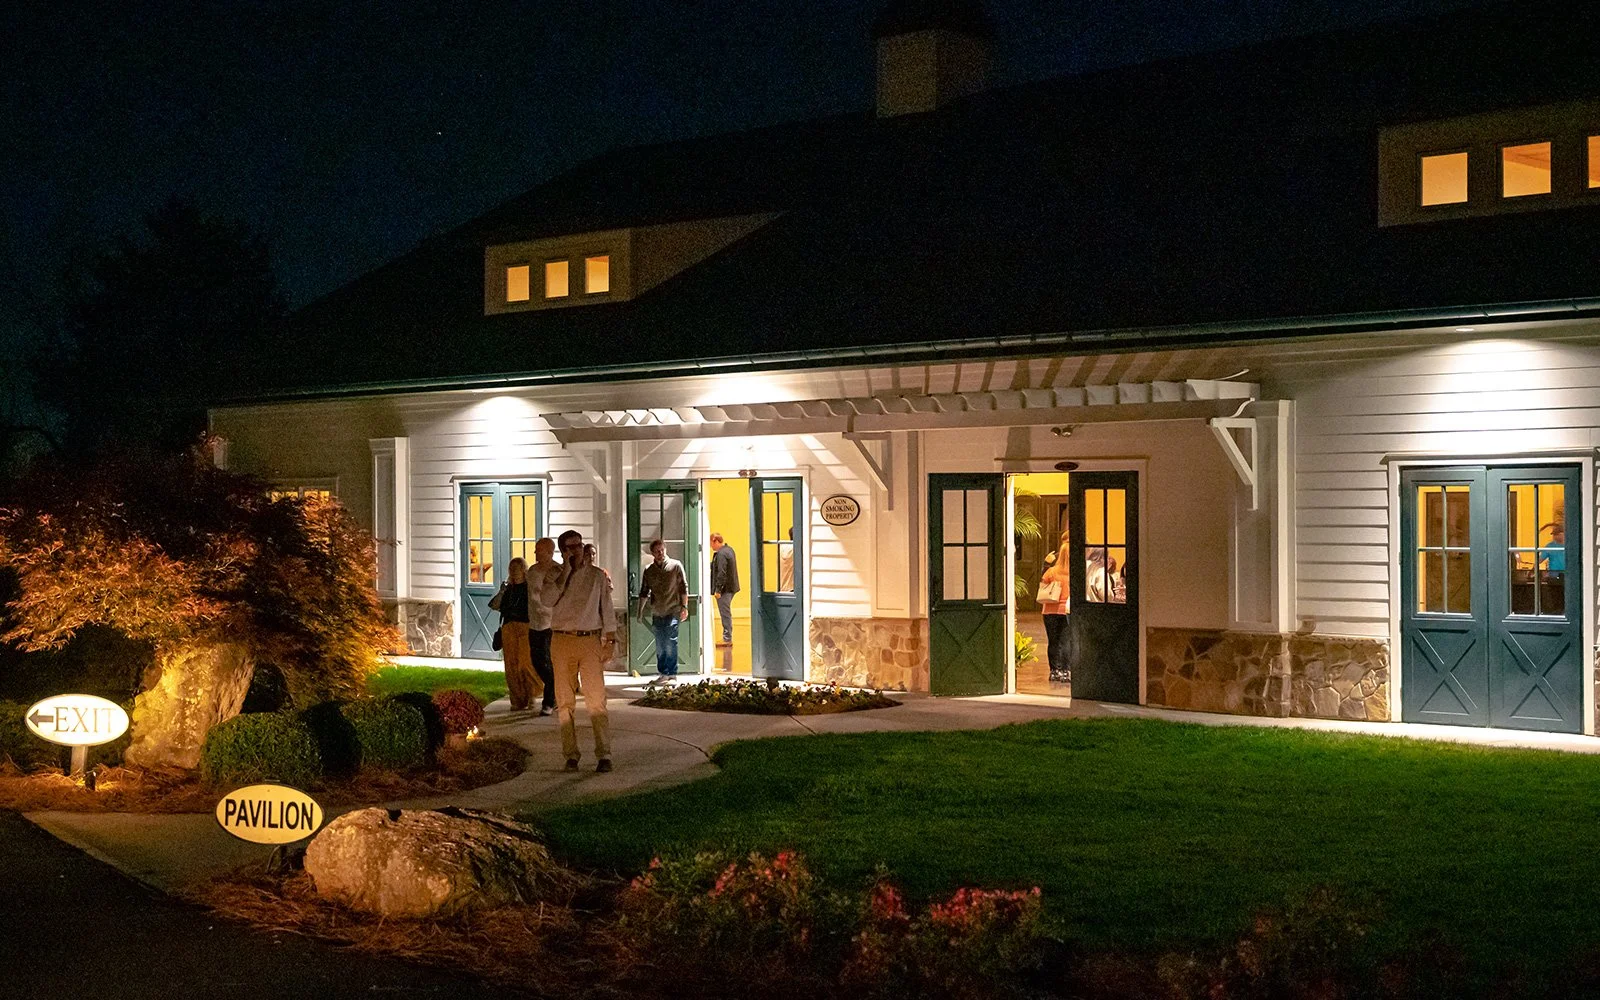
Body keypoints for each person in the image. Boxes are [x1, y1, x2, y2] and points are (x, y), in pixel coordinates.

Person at [539, 529, 618, 772]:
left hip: (589, 639)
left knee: (596, 700)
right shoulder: (554, 575)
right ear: (563, 552)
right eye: (570, 547)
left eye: (579, 545)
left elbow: (607, 607)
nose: (577, 551)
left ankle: (604, 754)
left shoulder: (596, 576)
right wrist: (566, 572)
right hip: (562, 641)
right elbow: (547, 600)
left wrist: (611, 640)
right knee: (565, 701)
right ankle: (571, 755)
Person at [637, 538, 690, 684]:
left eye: (662, 550)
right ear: (652, 553)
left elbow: (683, 588)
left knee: (671, 641)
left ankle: (672, 673)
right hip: (658, 610)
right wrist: (640, 612)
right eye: (657, 551)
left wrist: (684, 607)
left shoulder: (675, 566)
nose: (660, 553)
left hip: (673, 609)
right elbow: (644, 592)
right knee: (660, 644)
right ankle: (663, 672)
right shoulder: (649, 570)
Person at [488, 557, 537, 711]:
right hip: (508, 628)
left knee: (525, 663)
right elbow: (494, 605)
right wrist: (502, 591)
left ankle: (531, 695)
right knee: (511, 666)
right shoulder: (508, 589)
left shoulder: (529, 588)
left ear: (524, 570)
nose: (514, 572)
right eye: (511, 569)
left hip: (525, 627)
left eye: (517, 568)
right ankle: (517, 699)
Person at [526, 537, 559, 715]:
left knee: (548, 661)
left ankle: (549, 701)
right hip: (534, 624)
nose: (535, 553)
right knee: (537, 662)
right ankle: (554, 690)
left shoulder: (558, 571)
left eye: (539, 550)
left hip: (550, 624)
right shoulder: (532, 571)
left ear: (549, 551)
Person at [1038, 538, 1072, 684]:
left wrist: (1046, 564)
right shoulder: (1075, 573)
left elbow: (1042, 584)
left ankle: (1054, 671)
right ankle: (1065, 671)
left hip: (1049, 610)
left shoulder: (1052, 571)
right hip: (1066, 610)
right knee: (1065, 641)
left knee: (1053, 641)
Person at [709, 532, 740, 647]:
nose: (711, 546)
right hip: (731, 587)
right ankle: (727, 637)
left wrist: (718, 590)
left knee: (725, 613)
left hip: (725, 590)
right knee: (726, 612)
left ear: (715, 541)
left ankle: (727, 638)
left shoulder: (721, 554)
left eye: (711, 543)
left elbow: (721, 573)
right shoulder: (729, 550)